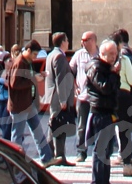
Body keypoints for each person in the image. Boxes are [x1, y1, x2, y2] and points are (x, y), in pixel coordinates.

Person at [7, 39, 53, 163]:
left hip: (28, 104)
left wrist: (39, 75)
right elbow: (14, 84)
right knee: (17, 135)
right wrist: (33, 79)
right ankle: (14, 161)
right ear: (28, 50)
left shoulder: (27, 62)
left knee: (38, 132)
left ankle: (47, 158)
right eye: (34, 54)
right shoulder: (20, 62)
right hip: (20, 105)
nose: (35, 57)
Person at [86, 38, 121, 184]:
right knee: (100, 151)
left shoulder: (108, 68)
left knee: (106, 151)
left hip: (108, 111)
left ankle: (104, 181)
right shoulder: (96, 67)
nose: (114, 57)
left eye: (115, 53)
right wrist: (113, 74)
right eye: (111, 53)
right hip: (100, 112)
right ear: (102, 53)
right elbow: (105, 88)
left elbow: (115, 87)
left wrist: (114, 74)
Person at [45, 31, 76, 165]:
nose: (68, 43)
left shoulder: (51, 54)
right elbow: (61, 79)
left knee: (54, 124)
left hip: (53, 96)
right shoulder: (59, 56)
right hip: (58, 97)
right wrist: (63, 100)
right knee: (59, 125)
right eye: (67, 40)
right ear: (62, 42)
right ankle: (59, 156)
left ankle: (50, 152)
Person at [71, 30, 99, 161]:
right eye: (82, 40)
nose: (82, 42)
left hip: (98, 97)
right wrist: (74, 86)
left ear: (92, 41)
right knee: (81, 125)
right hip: (83, 97)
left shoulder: (101, 54)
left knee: (98, 124)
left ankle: (99, 152)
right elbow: (70, 71)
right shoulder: (78, 55)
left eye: (85, 40)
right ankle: (81, 152)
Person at [114, 30, 132, 176]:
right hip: (124, 96)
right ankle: (127, 164)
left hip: (107, 97)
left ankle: (101, 168)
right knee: (125, 131)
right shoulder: (124, 59)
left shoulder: (102, 60)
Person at [0, 47, 15, 141]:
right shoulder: (1, 72)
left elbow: (10, 84)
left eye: (12, 61)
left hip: (8, 99)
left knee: (5, 123)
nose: (11, 62)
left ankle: (7, 141)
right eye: (9, 61)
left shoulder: (13, 73)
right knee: (0, 122)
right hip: (1, 100)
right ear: (4, 62)